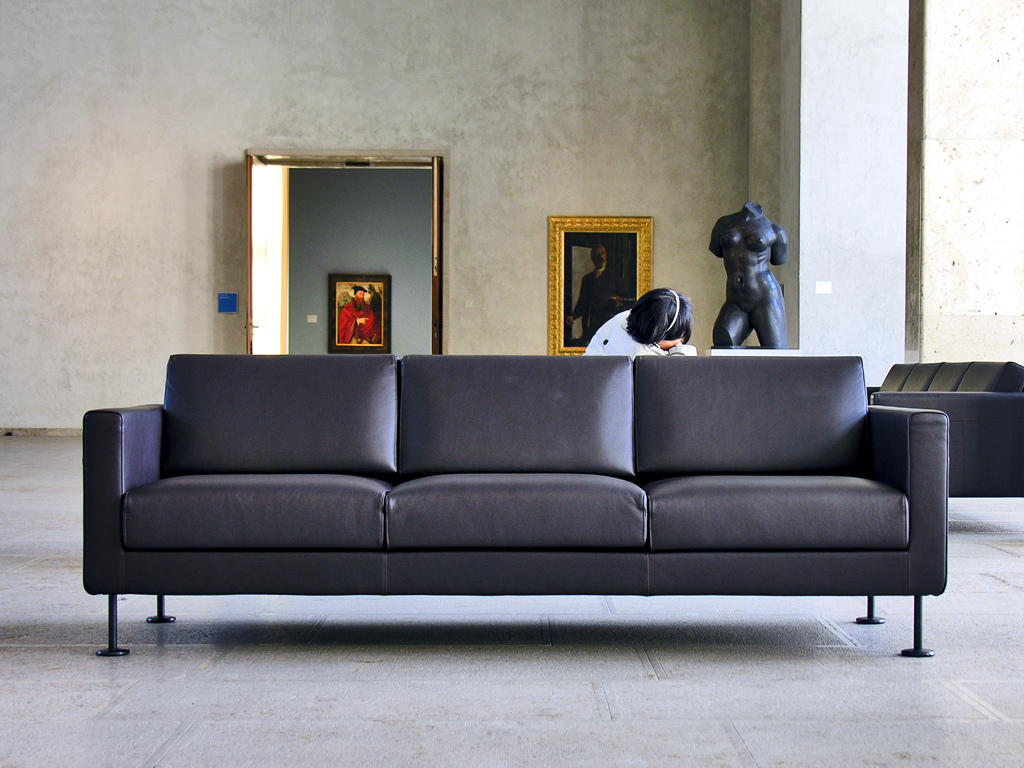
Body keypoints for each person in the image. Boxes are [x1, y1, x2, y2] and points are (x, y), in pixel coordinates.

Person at [709, 201, 789, 348]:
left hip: (765, 298)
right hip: (735, 300)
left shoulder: (775, 231)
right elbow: (716, 249)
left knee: (776, 350)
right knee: (722, 342)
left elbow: (779, 259)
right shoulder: (723, 224)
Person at [585, 288, 696, 358]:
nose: (680, 343)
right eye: (679, 338)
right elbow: (681, 373)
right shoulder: (642, 355)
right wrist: (680, 351)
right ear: (658, 337)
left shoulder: (624, 318)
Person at [565, 244, 629, 346]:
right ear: (592, 258)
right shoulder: (587, 279)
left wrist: (619, 303)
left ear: (606, 256)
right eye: (597, 254)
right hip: (590, 324)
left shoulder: (615, 278)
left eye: (603, 253)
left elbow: (624, 300)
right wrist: (574, 316)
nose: (600, 257)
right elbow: (583, 301)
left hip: (608, 323)